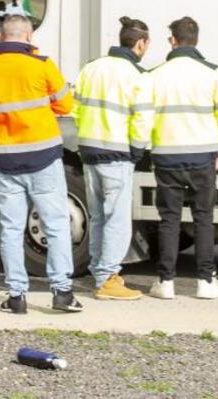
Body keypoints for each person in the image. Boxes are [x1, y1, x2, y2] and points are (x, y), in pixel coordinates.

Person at [0, 15, 80, 314]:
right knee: (57, 225)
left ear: (1, 36)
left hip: (7, 158)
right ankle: (62, 293)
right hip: (43, 156)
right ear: (29, 36)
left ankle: (16, 296)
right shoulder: (42, 65)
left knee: (11, 228)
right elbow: (66, 105)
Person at [131, 16, 218, 300]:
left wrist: (138, 150)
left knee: (169, 220)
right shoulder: (213, 73)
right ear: (196, 40)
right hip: (203, 155)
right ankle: (206, 281)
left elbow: (142, 118)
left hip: (166, 156)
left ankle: (165, 282)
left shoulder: (153, 76)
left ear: (172, 41)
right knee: (204, 218)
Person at [73, 16, 151, 301]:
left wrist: (84, 139)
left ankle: (98, 272)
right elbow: (142, 119)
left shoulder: (90, 69)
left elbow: (77, 110)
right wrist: (138, 149)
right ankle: (108, 279)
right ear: (141, 44)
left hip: (89, 149)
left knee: (97, 216)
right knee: (117, 218)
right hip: (118, 153)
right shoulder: (137, 75)